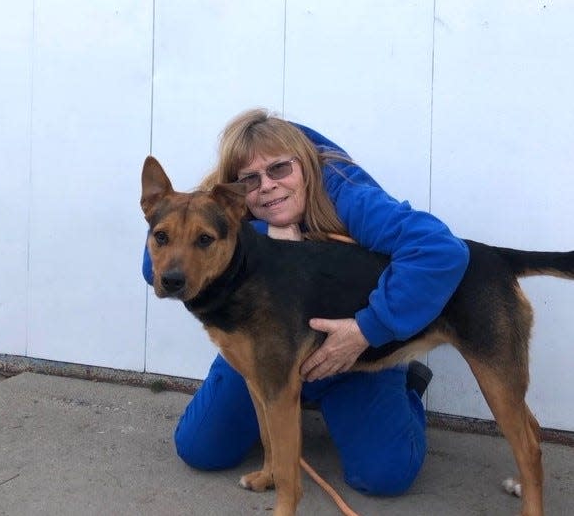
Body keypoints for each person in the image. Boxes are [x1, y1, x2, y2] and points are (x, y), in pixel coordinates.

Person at [141, 109, 470, 497]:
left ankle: (405, 390)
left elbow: (440, 251)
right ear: (236, 188)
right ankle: (280, 434)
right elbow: (156, 263)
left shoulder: (347, 193)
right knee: (199, 449)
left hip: (355, 355)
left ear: (306, 164)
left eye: (279, 169)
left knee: (384, 475)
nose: (266, 186)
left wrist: (369, 328)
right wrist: (265, 234)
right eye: (251, 179)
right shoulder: (219, 205)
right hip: (264, 347)